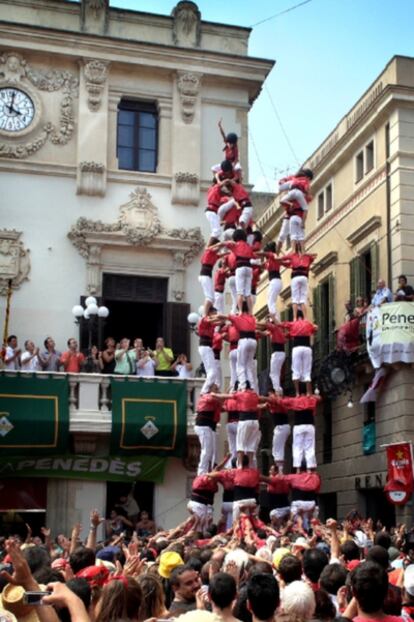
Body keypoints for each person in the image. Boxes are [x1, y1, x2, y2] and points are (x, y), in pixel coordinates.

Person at [285, 312, 318, 396]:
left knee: (296, 372)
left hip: (297, 348)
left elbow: (283, 325)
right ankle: (308, 392)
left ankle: (297, 393)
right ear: (303, 317)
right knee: (307, 372)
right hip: (307, 348)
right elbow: (316, 328)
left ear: (296, 316)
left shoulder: (293, 324)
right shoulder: (308, 324)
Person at [194, 386, 224, 475]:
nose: (218, 391)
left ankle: (208, 469)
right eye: (216, 389)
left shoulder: (214, 400)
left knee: (211, 451)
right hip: (203, 426)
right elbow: (218, 399)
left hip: (209, 427)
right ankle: (202, 472)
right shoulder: (207, 396)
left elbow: (222, 406)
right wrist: (229, 395)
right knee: (206, 450)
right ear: (210, 389)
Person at [282, 251, 317, 319]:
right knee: (303, 299)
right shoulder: (307, 258)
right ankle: (305, 317)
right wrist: (306, 254)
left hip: (295, 278)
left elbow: (283, 261)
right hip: (304, 278)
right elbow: (315, 255)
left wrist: (288, 257)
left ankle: (295, 317)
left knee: (295, 299)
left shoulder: (293, 257)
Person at [267, 392, 290, 472]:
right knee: (276, 449)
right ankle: (278, 469)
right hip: (281, 427)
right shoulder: (275, 403)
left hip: (281, 427)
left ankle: (280, 470)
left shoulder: (279, 403)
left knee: (278, 449)